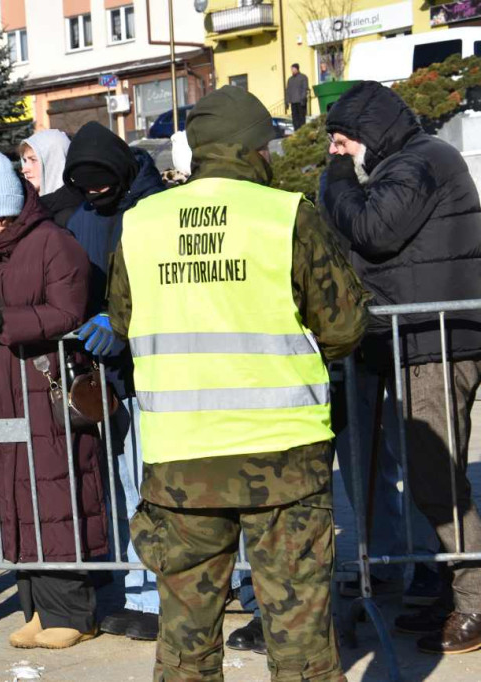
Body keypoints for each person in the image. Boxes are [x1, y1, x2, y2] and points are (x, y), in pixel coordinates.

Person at [113, 85, 369, 679]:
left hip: (181, 465)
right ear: (254, 150)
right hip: (283, 460)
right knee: (300, 639)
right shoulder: (286, 216)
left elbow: (126, 322)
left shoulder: (141, 223)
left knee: (185, 644)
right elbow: (345, 325)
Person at [321, 80, 481, 655]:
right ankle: (443, 584)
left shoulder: (421, 161)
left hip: (435, 340)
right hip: (411, 338)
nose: (338, 153)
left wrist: (334, 180)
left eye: (343, 143)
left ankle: (475, 600)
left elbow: (372, 231)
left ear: (370, 132)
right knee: (427, 472)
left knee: (437, 473)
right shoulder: (409, 162)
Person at [0, 149, 106, 649]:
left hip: (43, 388)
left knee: (54, 495)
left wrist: (0, 322)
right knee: (12, 497)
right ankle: (34, 607)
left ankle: (72, 611)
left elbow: (67, 312)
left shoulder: (55, 244)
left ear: (12, 208)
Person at [61, 121, 165, 641]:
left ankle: (161, 591)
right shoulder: (83, 215)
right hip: (109, 372)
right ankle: (139, 587)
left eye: (101, 181)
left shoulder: (155, 206)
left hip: (156, 364)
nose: (93, 190)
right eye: (83, 183)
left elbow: (164, 284)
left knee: (155, 483)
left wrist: (124, 322)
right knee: (126, 485)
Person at [19, 129, 83, 228]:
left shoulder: (73, 216)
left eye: (33, 160)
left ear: (54, 162)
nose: (24, 169)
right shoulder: (29, 209)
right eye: (25, 160)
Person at [286, 63, 309, 130]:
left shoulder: (303, 77)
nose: (292, 70)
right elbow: (288, 91)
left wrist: (303, 98)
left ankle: (302, 132)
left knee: (301, 119)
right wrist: (287, 101)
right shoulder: (290, 80)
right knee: (295, 119)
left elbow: (305, 88)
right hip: (293, 102)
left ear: (297, 69)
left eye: (293, 69)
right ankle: (296, 131)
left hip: (301, 102)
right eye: (291, 69)